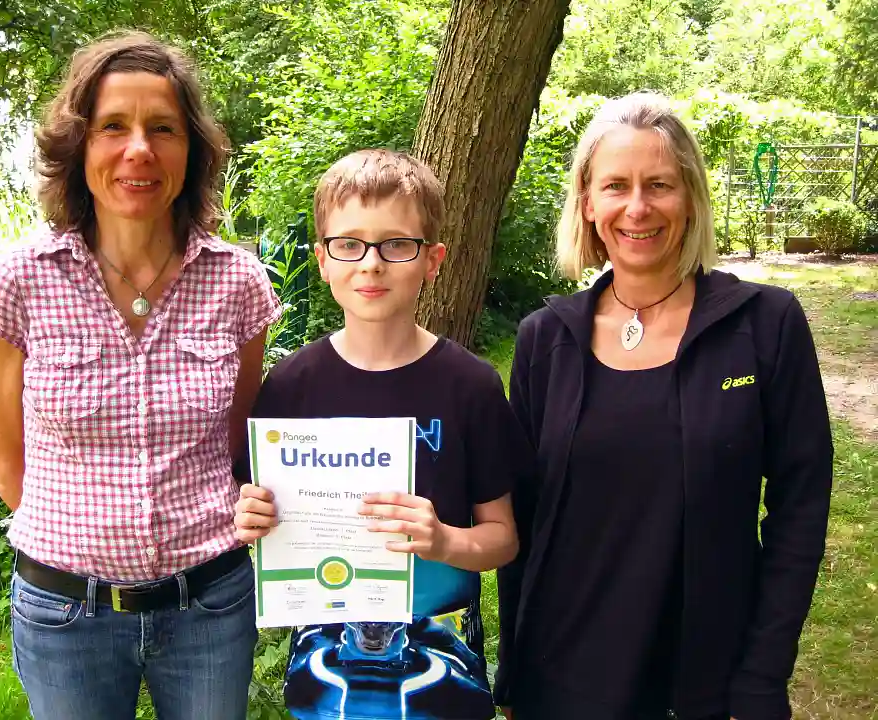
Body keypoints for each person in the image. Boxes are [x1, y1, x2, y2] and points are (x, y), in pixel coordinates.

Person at [0, 32, 281, 720]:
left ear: (190, 151)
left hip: (210, 607)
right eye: (114, 126)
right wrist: (78, 546)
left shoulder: (238, 285)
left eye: (162, 129)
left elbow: (237, 445)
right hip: (63, 614)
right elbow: (4, 453)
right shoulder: (20, 280)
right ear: (79, 147)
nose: (139, 149)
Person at [494, 92, 833, 720]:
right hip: (563, 678)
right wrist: (513, 674)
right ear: (588, 202)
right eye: (616, 185)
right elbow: (524, 520)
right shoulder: (545, 338)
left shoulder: (765, 325)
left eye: (660, 185)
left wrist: (761, 675)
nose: (638, 207)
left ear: (691, 197)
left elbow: (801, 510)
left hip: (705, 679)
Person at [233, 149, 531, 720]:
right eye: (349, 244)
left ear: (433, 260)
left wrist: (445, 541)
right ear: (322, 260)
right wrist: (251, 519)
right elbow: (254, 518)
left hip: (441, 677)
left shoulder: (469, 386)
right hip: (325, 677)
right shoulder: (291, 386)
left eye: (397, 245)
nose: (371, 264)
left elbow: (502, 538)